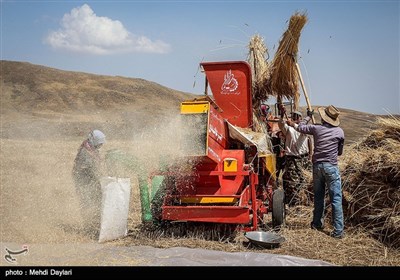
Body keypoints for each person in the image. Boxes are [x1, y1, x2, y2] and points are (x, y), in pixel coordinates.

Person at [290, 105, 345, 239]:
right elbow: (340, 152)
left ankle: (317, 223)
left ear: (323, 117)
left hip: (317, 167)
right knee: (336, 199)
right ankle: (338, 231)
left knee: (319, 197)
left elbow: (299, 127)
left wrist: (308, 116)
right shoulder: (339, 132)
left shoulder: (316, 128)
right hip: (331, 167)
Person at [72, 129, 106, 236]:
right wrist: (100, 176)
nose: (100, 146)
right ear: (94, 141)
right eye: (99, 144)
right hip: (84, 182)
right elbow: (89, 169)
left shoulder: (91, 148)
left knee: (97, 202)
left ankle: (95, 226)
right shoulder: (85, 152)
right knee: (87, 203)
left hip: (90, 180)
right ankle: (89, 228)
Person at [278, 109, 312, 206]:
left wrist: (310, 155)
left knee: (305, 179)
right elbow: (281, 124)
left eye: (297, 116)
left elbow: (310, 141)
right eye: (294, 116)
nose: (295, 118)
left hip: (304, 158)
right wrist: (281, 116)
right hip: (292, 159)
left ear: (301, 118)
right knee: (292, 182)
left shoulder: (304, 128)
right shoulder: (288, 129)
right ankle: (293, 203)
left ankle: (305, 202)